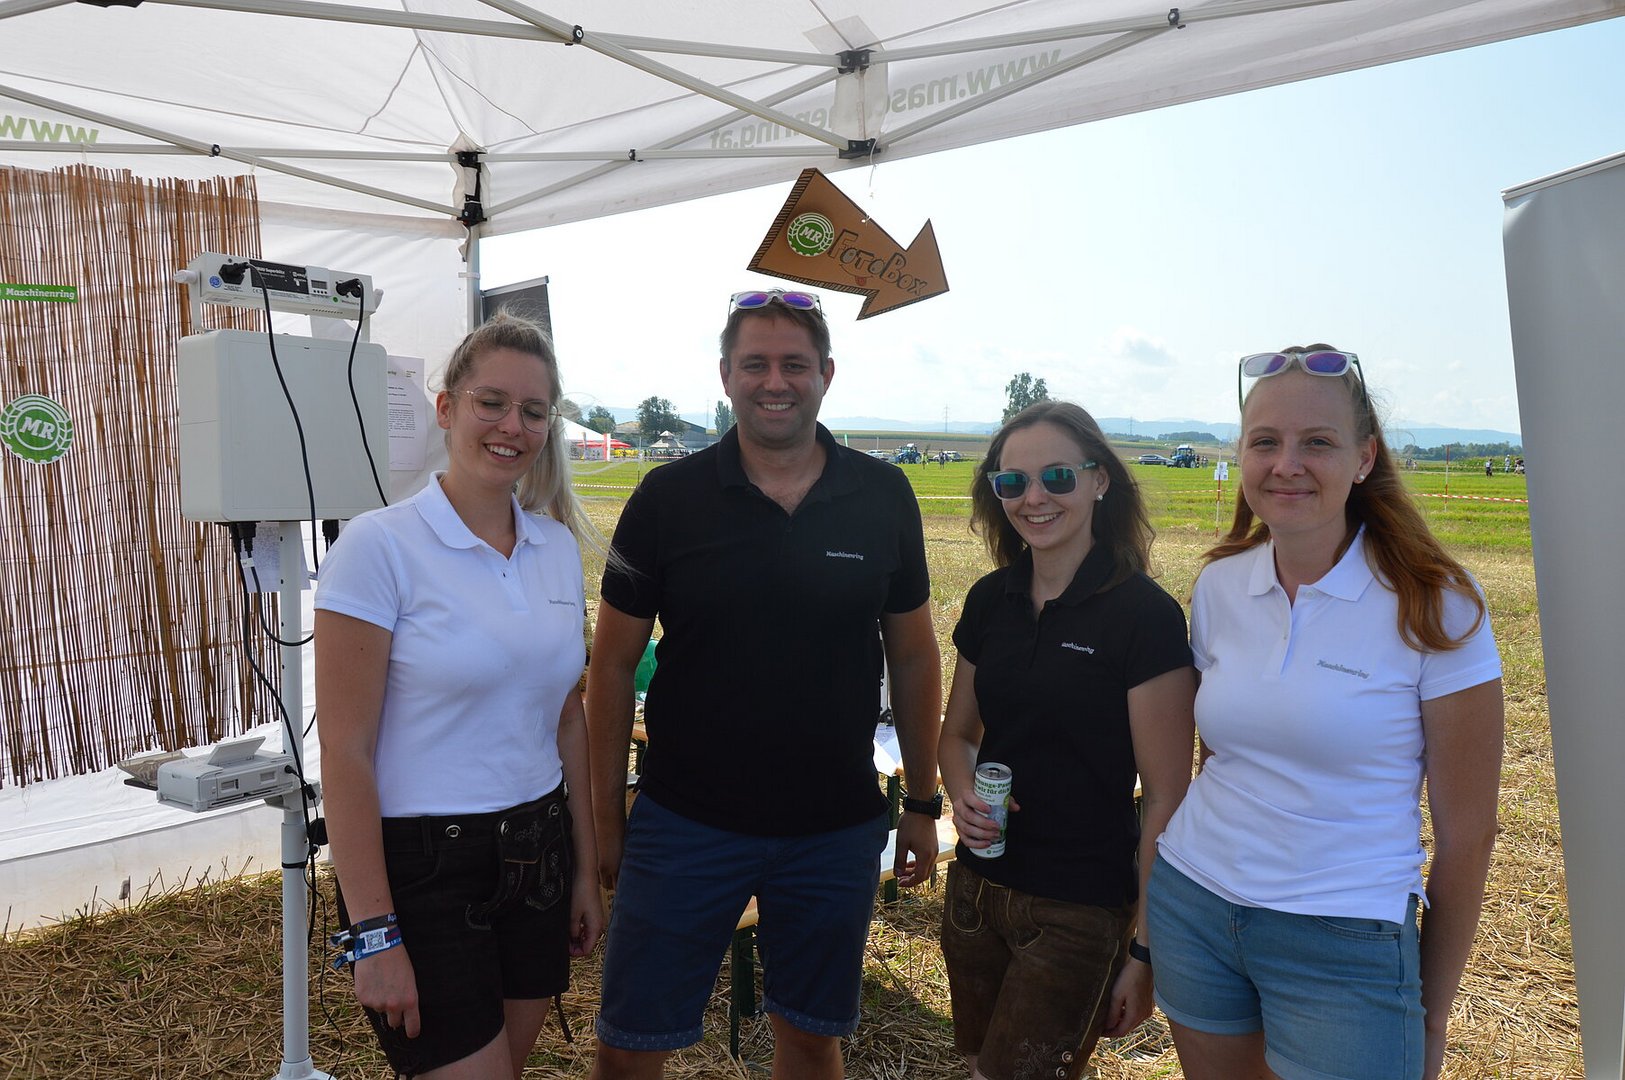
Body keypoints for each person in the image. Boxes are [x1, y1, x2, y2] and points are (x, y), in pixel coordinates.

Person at [586, 287, 942, 1080]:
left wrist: (921, 802)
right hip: (684, 824)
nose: (774, 382)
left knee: (810, 1039)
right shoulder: (666, 499)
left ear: (826, 375)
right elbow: (608, 667)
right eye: (755, 364)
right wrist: (606, 816)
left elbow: (915, 656)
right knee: (630, 1044)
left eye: (793, 364)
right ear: (725, 376)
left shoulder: (882, 496)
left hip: (832, 830)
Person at [1147, 344, 1504, 1080]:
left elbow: (1468, 836)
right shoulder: (1219, 586)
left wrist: (1431, 1016)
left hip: (1345, 935)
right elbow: (1220, 757)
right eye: (1265, 442)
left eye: (1317, 442)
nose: (1287, 464)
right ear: (1240, 455)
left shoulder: (1437, 603)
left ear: (1364, 457)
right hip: (1194, 904)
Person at [315, 313, 605, 1079]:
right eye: (491, 403)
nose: (512, 426)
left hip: (539, 854)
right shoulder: (376, 546)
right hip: (426, 872)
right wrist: (374, 934)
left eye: (533, 411)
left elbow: (565, 716)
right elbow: (344, 751)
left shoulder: (554, 547)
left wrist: (583, 870)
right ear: (446, 409)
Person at [938, 401, 1197, 1080]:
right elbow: (957, 734)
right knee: (980, 1066)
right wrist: (961, 792)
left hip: (1076, 907)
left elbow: (1166, 797)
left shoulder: (1143, 616)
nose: (1033, 498)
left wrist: (1144, 951)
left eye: (1056, 477)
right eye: (1011, 482)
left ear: (1099, 480)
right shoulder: (990, 600)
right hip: (975, 894)